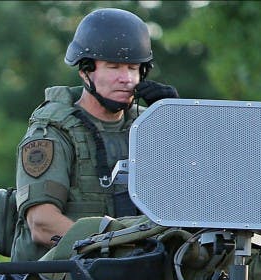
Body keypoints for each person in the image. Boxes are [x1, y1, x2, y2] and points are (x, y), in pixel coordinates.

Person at [10, 7, 178, 262]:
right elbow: (42, 223)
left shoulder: (151, 126)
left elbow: (195, 198)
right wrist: (118, 250)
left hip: (149, 269)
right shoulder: (52, 132)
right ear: (85, 71)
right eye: (114, 68)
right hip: (67, 279)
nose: (126, 79)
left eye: (133, 68)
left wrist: (181, 124)